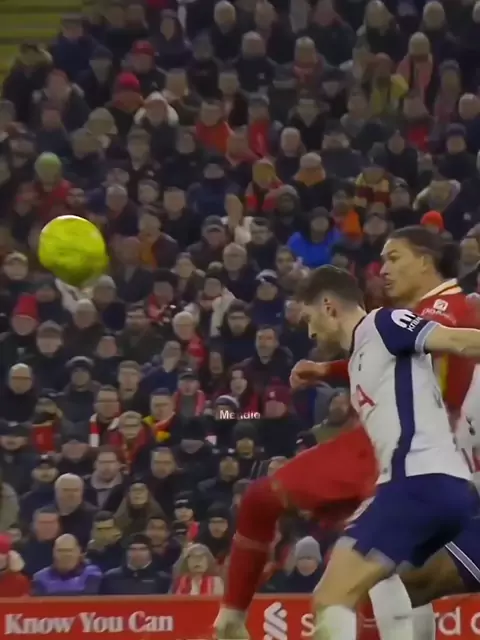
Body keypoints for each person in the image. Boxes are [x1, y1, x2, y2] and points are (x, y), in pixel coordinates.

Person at [290, 265, 480, 640]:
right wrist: (325, 370)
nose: (310, 332)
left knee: (331, 598)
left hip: (416, 482)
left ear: (328, 306)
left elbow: (456, 341)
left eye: (309, 318)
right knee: (403, 587)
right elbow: (375, 363)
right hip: (444, 486)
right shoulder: (368, 349)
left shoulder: (385, 322)